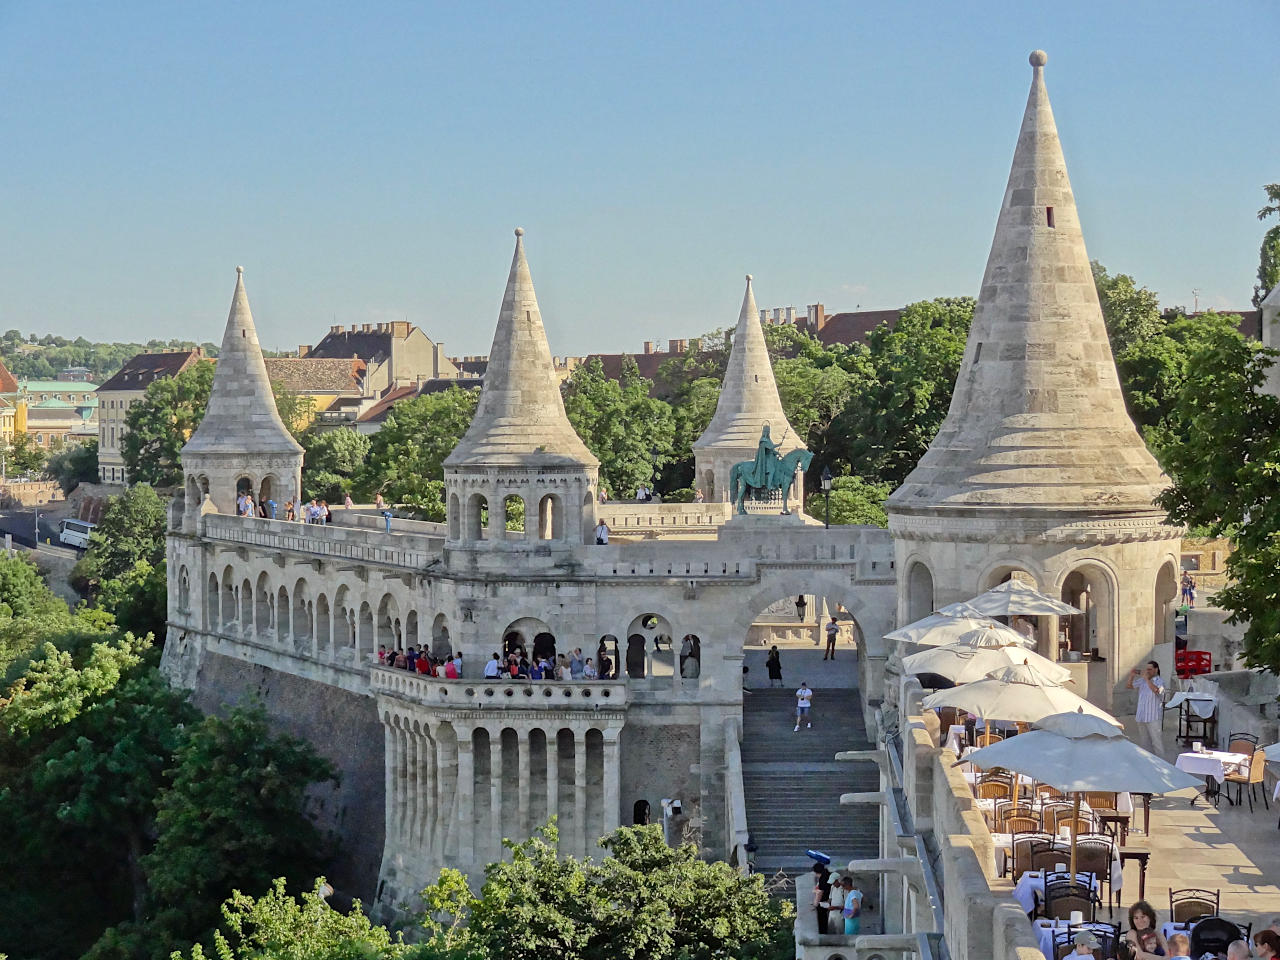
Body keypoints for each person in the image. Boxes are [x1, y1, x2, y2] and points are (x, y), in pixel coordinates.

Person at [1129, 661, 1166, 756]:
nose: (1147, 671)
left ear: (1156, 670)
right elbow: (1129, 686)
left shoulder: (1159, 681)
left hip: (1153, 717)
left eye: (1150, 669)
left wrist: (1147, 680)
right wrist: (1132, 675)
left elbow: (1157, 691)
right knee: (1144, 743)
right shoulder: (1142, 681)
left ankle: (1162, 764)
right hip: (1141, 716)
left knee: (1157, 742)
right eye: (1147, 669)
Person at [811, 862, 832, 935]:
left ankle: (823, 933)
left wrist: (815, 904)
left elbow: (820, 892)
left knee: (822, 918)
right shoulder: (828, 874)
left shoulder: (823, 878)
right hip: (830, 898)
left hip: (825, 901)